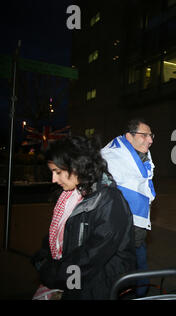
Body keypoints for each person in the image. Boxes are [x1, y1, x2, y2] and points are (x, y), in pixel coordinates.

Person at [31, 136, 136, 300]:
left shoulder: (110, 201)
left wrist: (51, 273)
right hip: (76, 280)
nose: (53, 179)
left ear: (77, 166)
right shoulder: (70, 195)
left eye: (58, 172)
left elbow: (90, 257)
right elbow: (59, 233)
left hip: (98, 286)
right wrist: (42, 257)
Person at [101, 118, 156, 297]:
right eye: (145, 135)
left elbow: (143, 187)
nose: (150, 140)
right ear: (129, 137)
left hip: (137, 231)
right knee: (120, 278)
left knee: (141, 276)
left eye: (151, 135)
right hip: (116, 234)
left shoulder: (144, 157)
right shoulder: (111, 158)